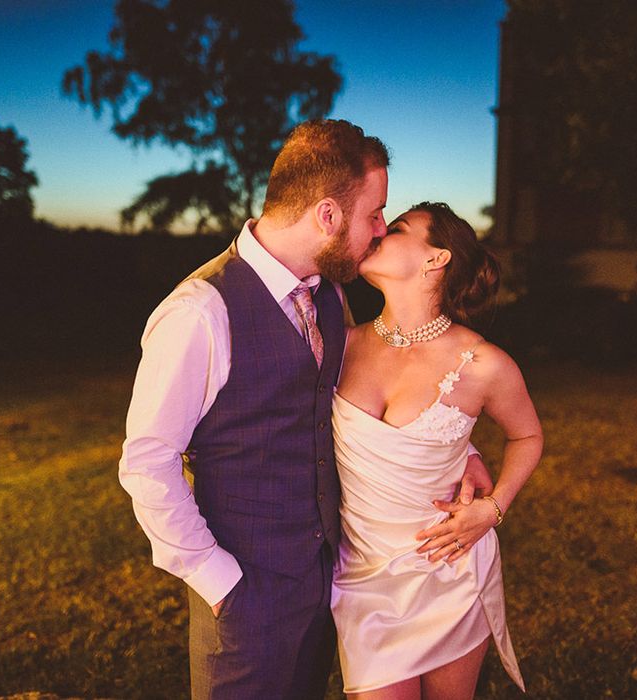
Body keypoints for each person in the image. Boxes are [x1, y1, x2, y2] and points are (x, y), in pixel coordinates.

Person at [118, 121, 492, 700]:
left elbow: (357, 399)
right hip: (244, 594)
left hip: (330, 583)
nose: (377, 232)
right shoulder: (198, 313)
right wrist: (218, 581)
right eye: (374, 215)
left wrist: (458, 449)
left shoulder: (327, 292)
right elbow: (147, 462)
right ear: (327, 216)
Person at [331, 202, 543, 699]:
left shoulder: (484, 363)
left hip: (449, 570)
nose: (380, 229)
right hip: (364, 576)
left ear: (435, 260)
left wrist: (492, 509)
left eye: (399, 226)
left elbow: (528, 436)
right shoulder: (340, 343)